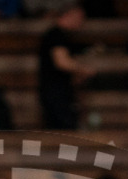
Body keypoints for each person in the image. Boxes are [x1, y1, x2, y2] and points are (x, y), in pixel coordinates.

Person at [37, 2, 90, 131]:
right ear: (68, 15)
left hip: (61, 91)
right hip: (55, 93)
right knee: (63, 132)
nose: (81, 22)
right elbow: (61, 62)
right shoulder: (56, 35)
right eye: (79, 17)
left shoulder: (63, 36)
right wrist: (84, 70)